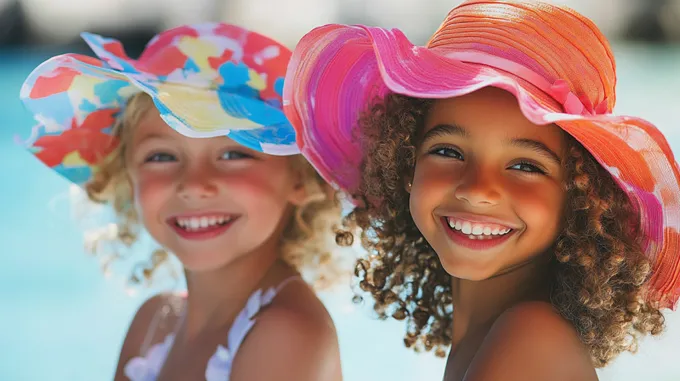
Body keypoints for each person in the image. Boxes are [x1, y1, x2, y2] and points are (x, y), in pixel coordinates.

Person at [282, 1, 680, 379]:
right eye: (448, 151)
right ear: (407, 165)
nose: (477, 190)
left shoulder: (533, 338)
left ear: (580, 199)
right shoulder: (502, 334)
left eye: (525, 166)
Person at [20, 23, 343, 381]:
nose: (193, 185)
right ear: (128, 176)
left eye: (234, 153)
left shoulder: (286, 334)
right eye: (161, 157)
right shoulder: (153, 324)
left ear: (301, 177)